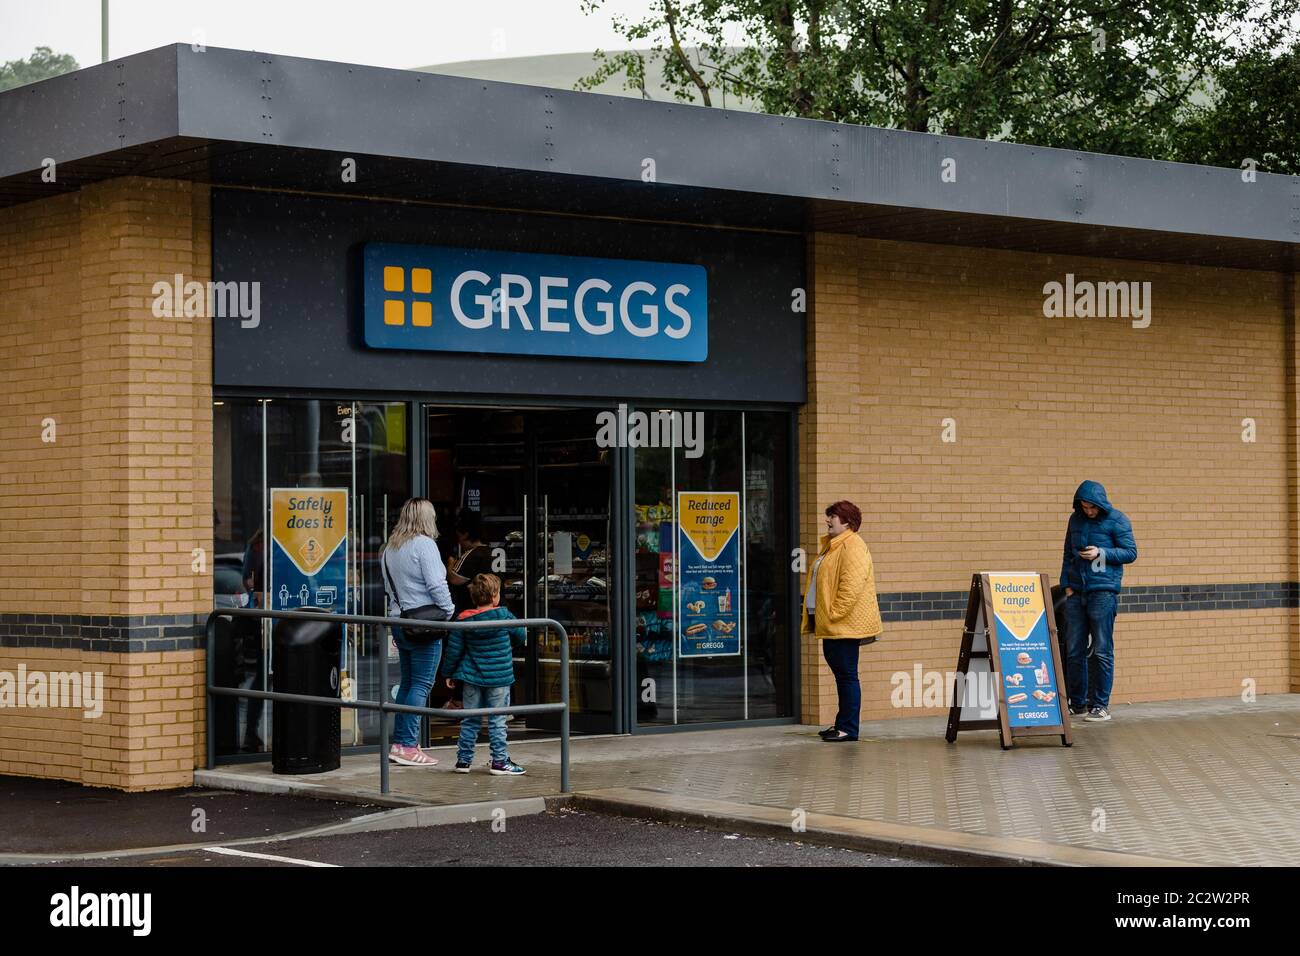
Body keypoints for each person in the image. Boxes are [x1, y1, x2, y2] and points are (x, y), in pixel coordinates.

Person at [381, 497, 456, 766]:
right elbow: (437, 585)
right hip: (424, 624)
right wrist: (448, 613)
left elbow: (390, 590)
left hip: (400, 621)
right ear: (427, 518)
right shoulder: (425, 545)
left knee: (408, 682)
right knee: (422, 684)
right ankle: (409, 746)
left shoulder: (390, 547)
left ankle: (400, 743)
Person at [801, 500, 882, 742]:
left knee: (847, 675)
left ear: (846, 521)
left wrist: (833, 613)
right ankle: (842, 724)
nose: (827, 521)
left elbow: (851, 588)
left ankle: (848, 728)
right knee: (842, 675)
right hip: (833, 624)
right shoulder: (834, 546)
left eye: (832, 517)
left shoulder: (853, 546)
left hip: (844, 624)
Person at [1060, 480, 1137, 722]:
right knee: (1073, 650)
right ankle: (1078, 703)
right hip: (1077, 591)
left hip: (1103, 591)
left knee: (1102, 650)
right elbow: (1066, 554)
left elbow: (1131, 552)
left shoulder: (1118, 520)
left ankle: (1101, 706)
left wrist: (1101, 553)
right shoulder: (1075, 520)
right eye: (1084, 507)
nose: (1088, 511)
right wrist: (1067, 586)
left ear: (1100, 504)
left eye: (1092, 507)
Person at [442, 573, 528, 775]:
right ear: (495, 595)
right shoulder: (505, 616)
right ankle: (499, 761)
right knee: (497, 720)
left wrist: (449, 673)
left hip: (472, 677)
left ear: (473, 597)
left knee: (470, 719)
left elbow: (454, 650)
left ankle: (463, 761)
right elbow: (521, 635)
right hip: (500, 677)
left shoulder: (464, 620)